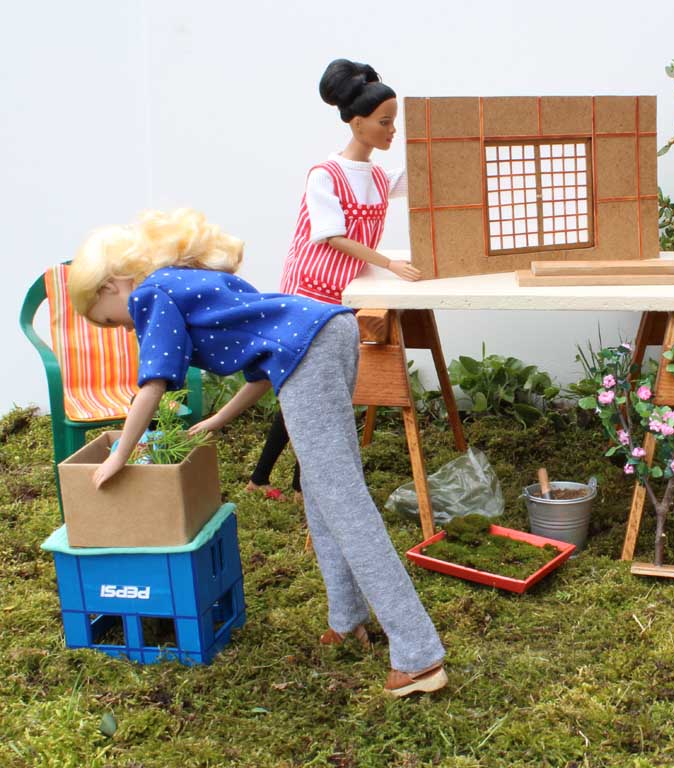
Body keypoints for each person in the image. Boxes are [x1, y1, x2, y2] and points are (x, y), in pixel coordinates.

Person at [67, 208, 446, 698]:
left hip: (310, 350)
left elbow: (153, 384)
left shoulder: (149, 294)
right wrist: (219, 419)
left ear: (109, 287)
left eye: (108, 320)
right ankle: (347, 618)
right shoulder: (185, 279)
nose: (121, 328)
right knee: (323, 489)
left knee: (343, 500)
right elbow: (267, 362)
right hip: (329, 330)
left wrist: (120, 452)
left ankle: (418, 655)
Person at [248, 57, 419, 503]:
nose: (392, 131)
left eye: (394, 122)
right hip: (309, 290)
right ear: (358, 124)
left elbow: (418, 179)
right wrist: (390, 263)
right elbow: (333, 236)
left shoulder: (377, 177)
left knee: (317, 388)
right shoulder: (325, 176)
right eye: (385, 122)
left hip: (343, 290)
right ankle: (274, 480)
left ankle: (284, 480)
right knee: (308, 387)